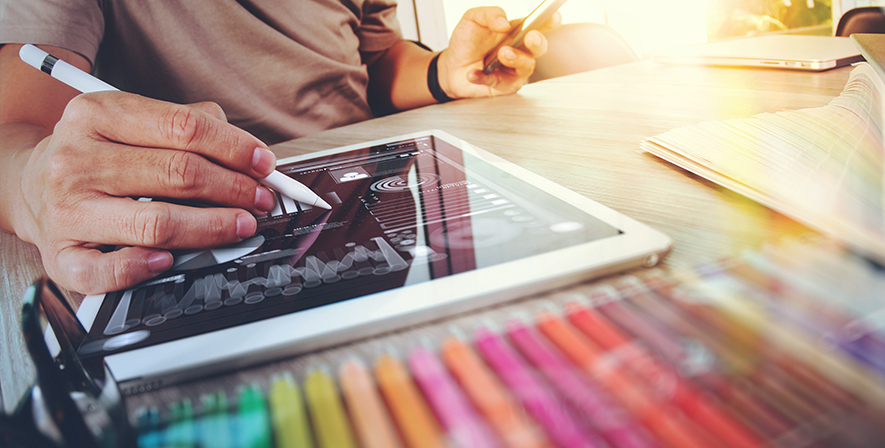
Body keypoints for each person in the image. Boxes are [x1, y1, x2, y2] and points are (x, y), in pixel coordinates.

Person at [0, 0, 554, 295]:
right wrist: (31, 185)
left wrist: (439, 73)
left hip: (372, 181)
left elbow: (375, 62)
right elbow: (16, 124)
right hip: (221, 216)